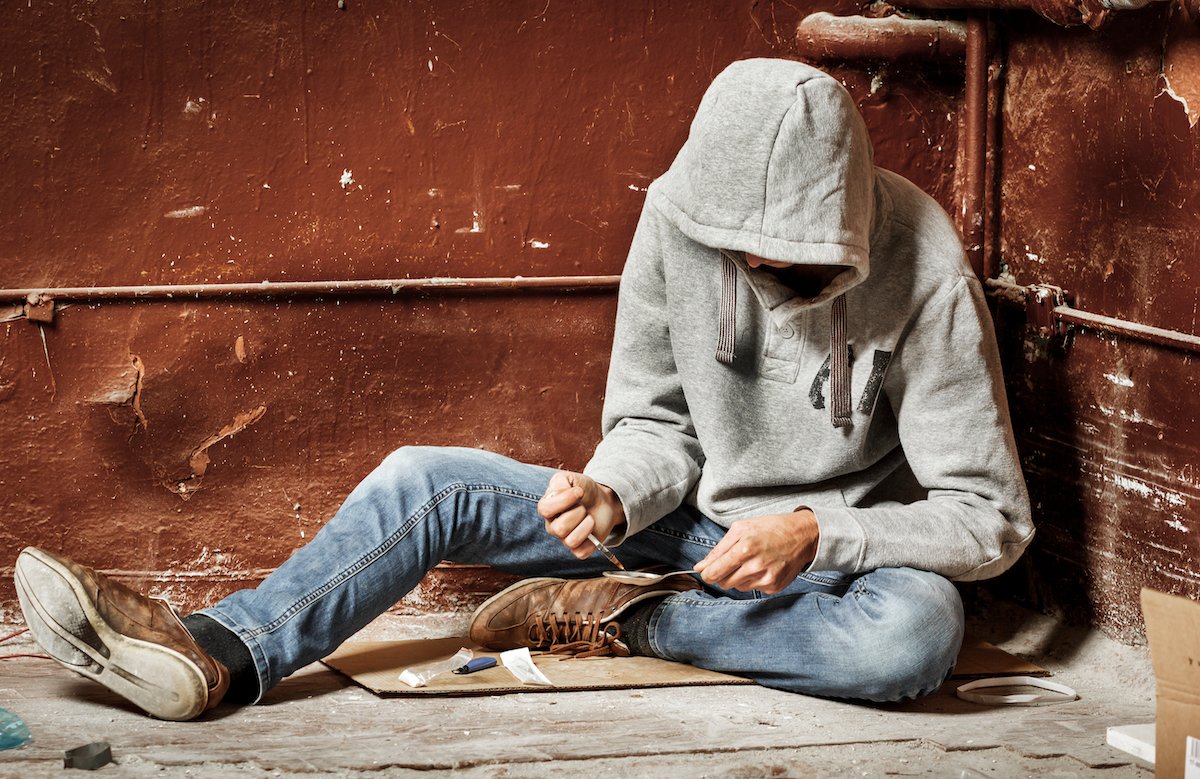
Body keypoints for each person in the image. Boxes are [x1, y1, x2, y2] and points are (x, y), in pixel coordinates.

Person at [13, 58, 1033, 721]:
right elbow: (654, 421)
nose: (764, 280)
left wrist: (815, 531)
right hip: (685, 529)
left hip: (840, 570)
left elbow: (989, 518)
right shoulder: (680, 221)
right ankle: (226, 646)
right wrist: (613, 491)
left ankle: (620, 619)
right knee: (427, 477)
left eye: (796, 268)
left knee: (916, 636)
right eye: (745, 259)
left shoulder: (926, 272)